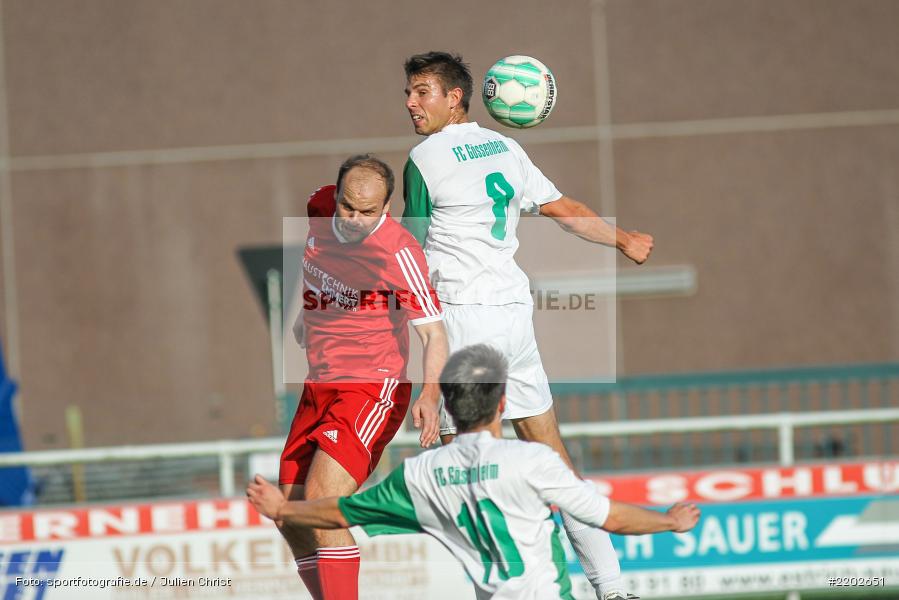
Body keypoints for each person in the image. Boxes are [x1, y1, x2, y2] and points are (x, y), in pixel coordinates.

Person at [399, 51, 655, 600]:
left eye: (422, 92)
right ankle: (612, 590)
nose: (411, 103)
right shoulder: (508, 148)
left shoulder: (423, 158)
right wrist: (624, 237)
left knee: (462, 475)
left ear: (455, 98)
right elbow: (564, 210)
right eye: (409, 93)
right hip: (514, 316)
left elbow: (409, 250)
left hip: (463, 324)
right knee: (553, 458)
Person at [248, 344, 700, 600]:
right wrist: (669, 521)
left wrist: (284, 508)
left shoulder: (421, 476)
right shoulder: (533, 462)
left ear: (449, 407)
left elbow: (339, 513)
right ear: (502, 405)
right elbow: (611, 517)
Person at [281, 154, 449, 600]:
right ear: (334, 196)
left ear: (387, 208)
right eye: (348, 208)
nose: (355, 220)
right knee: (289, 513)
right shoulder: (318, 208)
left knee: (320, 501)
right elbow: (317, 260)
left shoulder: (399, 252)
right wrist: (304, 315)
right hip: (320, 384)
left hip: (373, 388)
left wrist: (431, 396)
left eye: (368, 212)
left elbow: (435, 335)